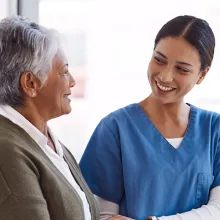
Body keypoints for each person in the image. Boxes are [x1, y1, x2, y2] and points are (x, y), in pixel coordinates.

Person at [79, 15, 220, 220]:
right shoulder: (115, 129)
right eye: (159, 60)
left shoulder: (213, 129)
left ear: (202, 75)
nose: (164, 76)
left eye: (181, 69)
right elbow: (102, 215)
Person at [0, 15, 99, 220]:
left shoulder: (48, 143)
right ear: (30, 83)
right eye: (64, 72)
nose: (72, 82)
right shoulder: (6, 149)